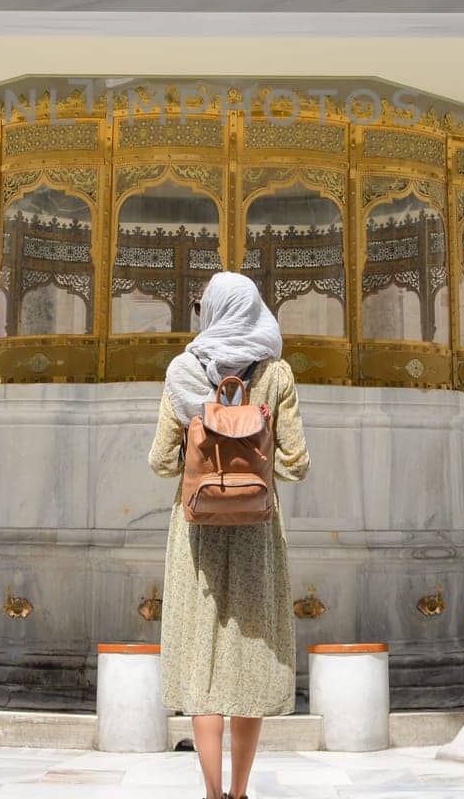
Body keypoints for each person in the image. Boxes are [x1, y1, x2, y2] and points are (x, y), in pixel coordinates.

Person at [148, 272, 310, 799]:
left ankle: (212, 794)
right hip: (257, 531)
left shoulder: (181, 372)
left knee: (201, 659)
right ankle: (240, 794)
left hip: (195, 530)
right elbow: (297, 463)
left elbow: (157, 462)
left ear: (211, 311)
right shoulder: (277, 373)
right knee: (248, 659)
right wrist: (255, 464)